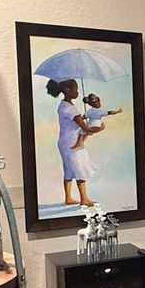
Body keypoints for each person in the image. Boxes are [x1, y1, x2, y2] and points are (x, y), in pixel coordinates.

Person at [46, 78, 102, 206]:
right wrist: (98, 128)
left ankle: (68, 198)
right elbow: (85, 128)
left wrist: (84, 119)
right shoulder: (71, 109)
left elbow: (76, 121)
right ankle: (84, 198)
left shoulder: (64, 105)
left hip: (65, 142)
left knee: (69, 169)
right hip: (72, 143)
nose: (77, 92)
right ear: (67, 90)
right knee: (79, 168)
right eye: (75, 89)